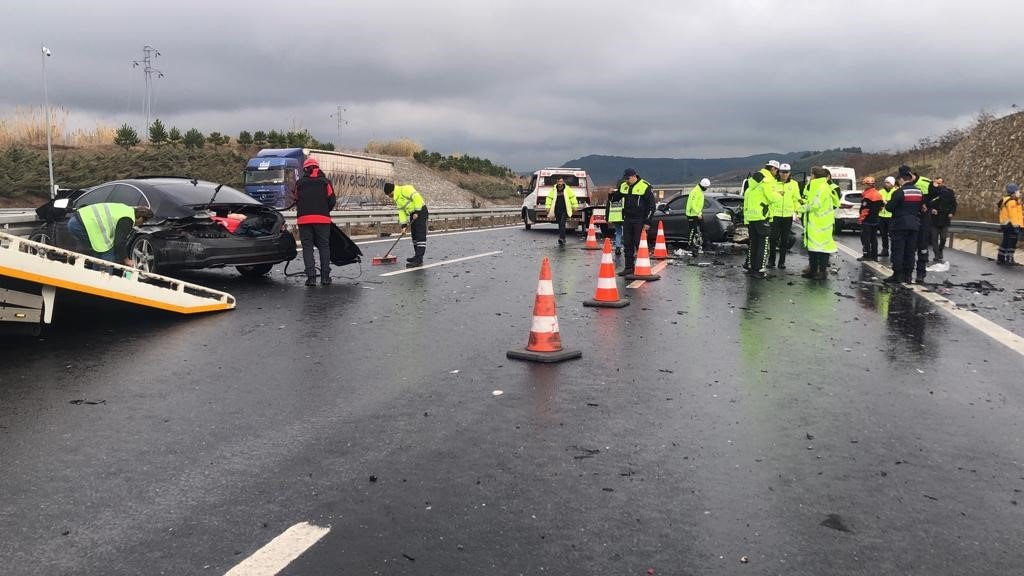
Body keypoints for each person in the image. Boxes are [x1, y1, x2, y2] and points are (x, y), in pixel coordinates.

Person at [294, 157, 336, 285]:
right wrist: (324, 210)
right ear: (318, 168)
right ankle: (325, 277)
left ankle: (311, 278)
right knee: (324, 246)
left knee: (307, 248)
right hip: (322, 220)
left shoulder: (299, 183)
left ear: (305, 169)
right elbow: (332, 200)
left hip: (304, 220)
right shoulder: (325, 182)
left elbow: (296, 198)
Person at [67, 202, 153, 265]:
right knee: (107, 253)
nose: (141, 224)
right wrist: (126, 259)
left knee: (100, 252)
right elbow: (119, 242)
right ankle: (103, 278)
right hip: (81, 224)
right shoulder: (127, 219)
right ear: (141, 217)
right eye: (143, 222)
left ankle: (96, 275)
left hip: (77, 220)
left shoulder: (126, 209)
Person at [883, 170, 925, 283]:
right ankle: (908, 275)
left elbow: (889, 208)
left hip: (900, 224)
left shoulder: (900, 192)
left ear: (901, 179)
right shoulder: (919, 192)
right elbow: (921, 207)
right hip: (914, 225)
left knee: (898, 250)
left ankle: (897, 275)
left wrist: (887, 204)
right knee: (910, 251)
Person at [800, 167, 838, 279]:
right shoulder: (815, 186)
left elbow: (815, 204)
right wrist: (803, 202)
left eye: (811, 174)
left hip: (822, 224)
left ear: (815, 175)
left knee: (823, 249)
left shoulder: (822, 187)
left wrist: (800, 208)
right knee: (813, 248)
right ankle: (813, 271)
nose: (810, 177)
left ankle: (822, 272)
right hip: (815, 223)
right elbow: (811, 201)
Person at [616, 168, 656, 276]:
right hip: (628, 219)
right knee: (627, 243)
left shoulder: (645, 186)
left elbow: (651, 206)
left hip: (640, 219)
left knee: (639, 243)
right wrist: (611, 194)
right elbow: (615, 198)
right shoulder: (624, 186)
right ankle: (629, 267)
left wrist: (647, 221)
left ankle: (643, 267)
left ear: (634, 176)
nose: (627, 181)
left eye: (628, 178)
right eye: (626, 179)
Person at [898, 165, 935, 282]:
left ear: (910, 174)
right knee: (908, 248)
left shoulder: (925, 182)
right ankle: (906, 274)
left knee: (922, 247)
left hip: (923, 220)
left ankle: (921, 274)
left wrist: (928, 205)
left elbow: (939, 195)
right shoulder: (902, 186)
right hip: (910, 221)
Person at [743, 160, 779, 278]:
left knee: (754, 244)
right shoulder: (768, 181)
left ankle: (752, 268)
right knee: (763, 245)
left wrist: (746, 218)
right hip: (762, 217)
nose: (777, 173)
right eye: (777, 170)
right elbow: (773, 198)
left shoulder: (752, 183)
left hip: (751, 217)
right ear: (773, 169)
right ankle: (759, 270)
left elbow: (746, 201)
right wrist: (779, 194)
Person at [383, 182, 428, 268]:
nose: (389, 197)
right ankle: (417, 256)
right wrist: (403, 226)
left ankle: (418, 260)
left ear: (392, 191)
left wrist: (417, 212)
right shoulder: (397, 199)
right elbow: (401, 212)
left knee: (420, 236)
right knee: (414, 236)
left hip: (421, 211)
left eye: (389, 195)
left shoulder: (405, 189)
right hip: (412, 214)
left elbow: (417, 198)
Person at [767, 164, 800, 269]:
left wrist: (798, 213)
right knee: (773, 239)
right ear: (779, 172)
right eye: (782, 172)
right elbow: (768, 198)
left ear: (789, 173)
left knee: (784, 240)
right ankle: (771, 261)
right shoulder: (772, 183)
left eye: (786, 172)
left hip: (787, 216)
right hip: (775, 215)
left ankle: (782, 262)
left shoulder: (794, 184)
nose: (784, 174)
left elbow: (796, 199)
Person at [926, 177, 957, 269]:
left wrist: (951, 212)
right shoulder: (931, 192)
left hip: (945, 219)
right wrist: (932, 209)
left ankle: (940, 250)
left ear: (943, 183)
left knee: (943, 238)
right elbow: (927, 203)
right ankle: (936, 254)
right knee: (934, 238)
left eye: (939, 183)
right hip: (934, 219)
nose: (938, 185)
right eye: (936, 183)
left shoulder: (949, 192)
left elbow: (954, 204)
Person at [857, 176, 884, 261]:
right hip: (875, 220)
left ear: (867, 185)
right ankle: (874, 256)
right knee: (874, 238)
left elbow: (865, 210)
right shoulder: (878, 194)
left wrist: (861, 219)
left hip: (867, 221)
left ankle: (866, 255)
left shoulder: (868, 196)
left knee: (865, 239)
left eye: (864, 184)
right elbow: (881, 206)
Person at [545, 176, 578, 245]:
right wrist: (547, 207)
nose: (560, 183)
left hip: (565, 209)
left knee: (562, 223)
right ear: (557, 182)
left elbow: (572, 197)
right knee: (560, 223)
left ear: (563, 182)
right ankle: (562, 237)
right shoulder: (554, 190)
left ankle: (562, 238)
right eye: (559, 181)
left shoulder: (567, 189)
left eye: (561, 181)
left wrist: (575, 206)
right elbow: (549, 198)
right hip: (557, 209)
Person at [997, 183, 1022, 265]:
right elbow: (1013, 215)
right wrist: (1016, 227)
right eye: (1017, 191)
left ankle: (1000, 258)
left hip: (1006, 225)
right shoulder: (1011, 202)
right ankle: (1009, 259)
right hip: (1011, 225)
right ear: (1013, 192)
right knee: (1012, 242)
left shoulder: (1006, 200)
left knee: (1005, 241)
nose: (1019, 193)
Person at [685, 178, 710, 257]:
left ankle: (706, 244)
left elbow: (698, 204)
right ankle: (689, 245)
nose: (706, 188)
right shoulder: (695, 191)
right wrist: (697, 213)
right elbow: (693, 204)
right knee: (692, 230)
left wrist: (699, 213)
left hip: (697, 213)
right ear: (703, 186)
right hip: (692, 214)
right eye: (706, 187)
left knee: (704, 228)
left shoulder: (700, 191)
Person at [877, 176, 896, 257]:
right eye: (885, 182)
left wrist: (887, 202)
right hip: (881, 216)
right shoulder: (880, 192)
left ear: (892, 184)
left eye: (888, 182)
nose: (886, 184)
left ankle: (894, 251)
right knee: (883, 234)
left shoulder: (896, 192)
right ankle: (885, 250)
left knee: (893, 235)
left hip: (891, 216)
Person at [606, 182, 624, 254]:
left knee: (618, 232)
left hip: (615, 217)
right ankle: (628, 248)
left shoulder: (612, 194)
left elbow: (608, 207)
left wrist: (607, 218)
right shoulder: (624, 193)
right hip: (623, 217)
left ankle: (618, 248)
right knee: (627, 233)